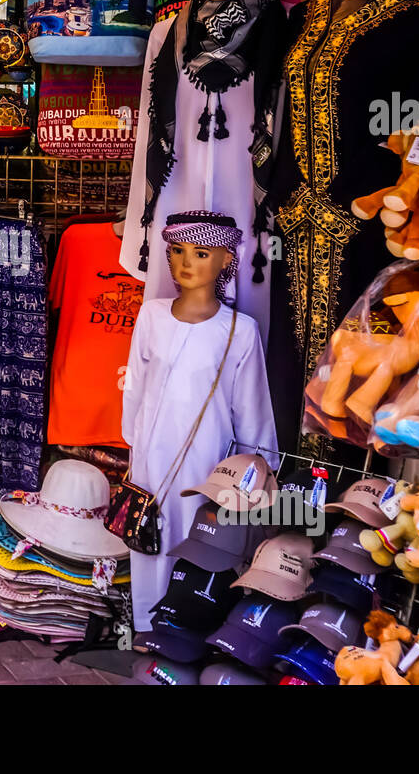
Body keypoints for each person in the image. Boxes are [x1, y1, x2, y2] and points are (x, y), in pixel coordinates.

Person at [121, 210, 277, 630]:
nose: (185, 263)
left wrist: (259, 468)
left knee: (197, 541)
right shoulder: (151, 315)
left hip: (209, 462)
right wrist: (135, 447)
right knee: (149, 537)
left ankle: (185, 626)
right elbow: (134, 384)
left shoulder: (239, 330)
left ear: (227, 260)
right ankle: (146, 627)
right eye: (176, 251)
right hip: (151, 456)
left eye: (201, 252)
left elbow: (252, 405)